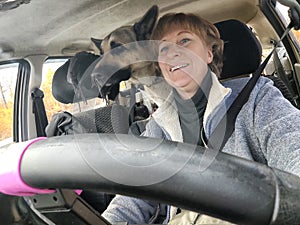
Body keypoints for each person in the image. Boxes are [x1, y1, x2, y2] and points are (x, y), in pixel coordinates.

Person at [102, 12, 300, 224]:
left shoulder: (258, 98)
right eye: (164, 48)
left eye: (184, 40)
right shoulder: (157, 127)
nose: (173, 54)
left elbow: (292, 145)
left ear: (209, 53)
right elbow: (131, 199)